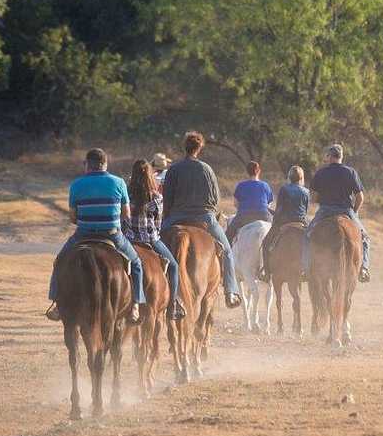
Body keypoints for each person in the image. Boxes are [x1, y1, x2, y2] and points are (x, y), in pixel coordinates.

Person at [45, 148, 146, 323]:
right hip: (112, 234)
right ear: (105, 164)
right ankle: (136, 305)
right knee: (136, 263)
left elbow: (73, 217)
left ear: (87, 165)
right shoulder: (119, 182)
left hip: (83, 234)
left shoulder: (76, 184)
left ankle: (57, 303)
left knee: (60, 260)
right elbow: (126, 215)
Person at [161, 131, 243, 308]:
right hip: (204, 217)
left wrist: (166, 219)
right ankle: (231, 291)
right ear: (199, 149)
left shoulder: (174, 169)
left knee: (154, 248)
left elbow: (167, 198)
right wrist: (211, 213)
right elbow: (215, 198)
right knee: (227, 251)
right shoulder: (207, 169)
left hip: (176, 218)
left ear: (185, 147)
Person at [125, 159, 186, 321]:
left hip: (129, 241)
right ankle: (173, 305)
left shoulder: (126, 195)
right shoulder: (157, 197)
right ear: (150, 176)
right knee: (173, 266)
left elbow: (123, 219)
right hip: (151, 240)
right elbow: (158, 224)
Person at [301, 144, 371, 282]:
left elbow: (314, 198)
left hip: (325, 210)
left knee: (307, 235)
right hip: (346, 210)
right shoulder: (350, 172)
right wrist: (354, 212)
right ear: (341, 156)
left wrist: (322, 199)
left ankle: (305, 269)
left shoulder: (321, 173)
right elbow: (360, 197)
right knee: (365, 238)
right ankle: (364, 268)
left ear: (329, 156)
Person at [259, 165, 310, 281]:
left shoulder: (284, 189)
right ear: (301, 177)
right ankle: (308, 270)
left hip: (285, 222)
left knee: (266, 242)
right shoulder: (306, 191)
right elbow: (305, 211)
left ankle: (267, 272)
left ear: (289, 177)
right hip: (301, 223)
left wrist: (274, 220)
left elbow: (279, 209)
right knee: (311, 244)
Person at [225, 161, 273, 244]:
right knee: (275, 232)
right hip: (263, 215)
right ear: (258, 171)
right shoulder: (265, 185)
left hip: (244, 216)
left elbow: (236, 204)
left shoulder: (241, 185)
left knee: (228, 235)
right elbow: (269, 204)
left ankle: (226, 250)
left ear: (247, 172)